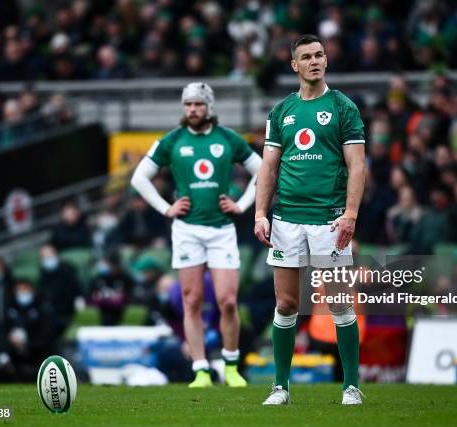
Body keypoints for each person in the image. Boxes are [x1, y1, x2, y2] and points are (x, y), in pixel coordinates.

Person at [254, 34, 366, 405]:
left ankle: (351, 385)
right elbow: (269, 168)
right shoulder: (281, 111)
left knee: (338, 302)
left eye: (320, 55)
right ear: (295, 65)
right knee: (286, 304)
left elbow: (357, 165)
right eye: (307, 57)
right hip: (287, 220)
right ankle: (280, 387)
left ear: (326, 61)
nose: (315, 61)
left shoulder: (343, 107)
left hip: (329, 220)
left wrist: (350, 214)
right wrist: (260, 213)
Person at [131, 82, 262, 388]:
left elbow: (265, 169)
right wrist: (166, 208)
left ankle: (231, 365)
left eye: (198, 104)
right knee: (191, 301)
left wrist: (242, 204)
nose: (192, 110)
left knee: (228, 301)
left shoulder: (228, 139)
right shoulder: (172, 140)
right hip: (187, 230)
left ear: (209, 107)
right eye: (188, 104)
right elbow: (140, 178)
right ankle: (201, 369)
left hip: (221, 230)